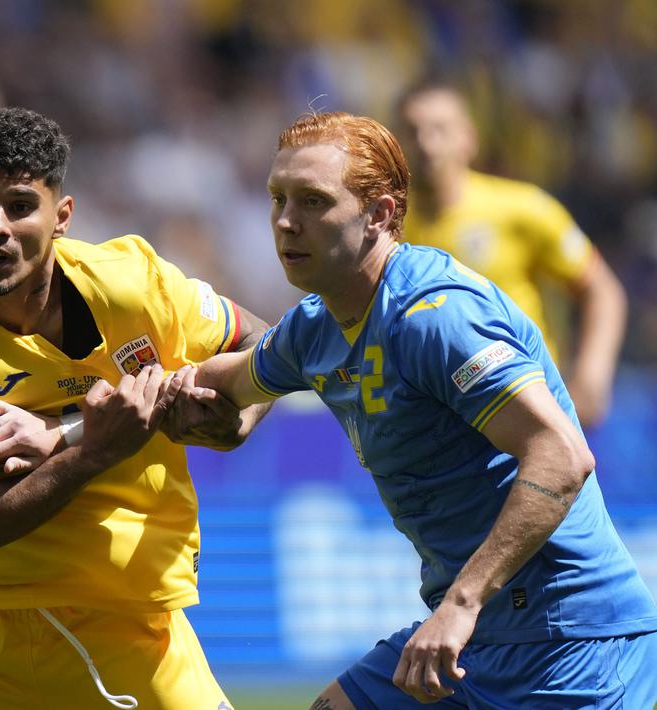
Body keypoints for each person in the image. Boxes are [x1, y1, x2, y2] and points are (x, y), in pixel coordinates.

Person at [188, 111, 657, 708]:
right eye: (278, 198)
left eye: (312, 201)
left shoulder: (434, 316)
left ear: (380, 214)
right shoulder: (314, 327)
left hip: (571, 644)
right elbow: (222, 383)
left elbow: (561, 454)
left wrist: (459, 606)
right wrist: (84, 414)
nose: (285, 222)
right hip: (472, 640)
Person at [0, 106, 269, 709]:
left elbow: (264, 344)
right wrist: (91, 451)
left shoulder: (134, 284)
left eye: (21, 206)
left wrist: (236, 417)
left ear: (63, 218)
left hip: (126, 620)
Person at [395, 80, 627, 427]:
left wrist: (592, 374)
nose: (427, 144)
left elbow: (602, 290)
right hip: (430, 423)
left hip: (527, 407)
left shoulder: (522, 208)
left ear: (469, 138)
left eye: (441, 129)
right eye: (414, 132)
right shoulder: (384, 225)